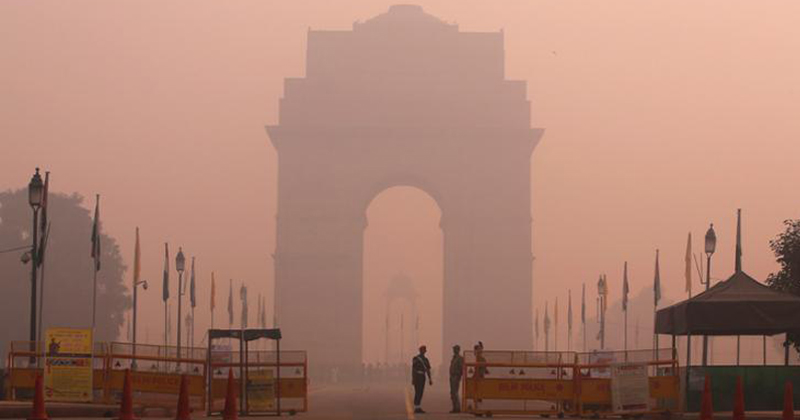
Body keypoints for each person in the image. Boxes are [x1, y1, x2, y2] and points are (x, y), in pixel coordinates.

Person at [412, 345, 433, 414]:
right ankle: (416, 407)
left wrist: (430, 379)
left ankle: (418, 406)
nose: (423, 351)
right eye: (422, 350)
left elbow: (428, 370)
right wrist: (413, 378)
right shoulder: (416, 358)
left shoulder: (426, 360)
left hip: (422, 377)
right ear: (420, 351)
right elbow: (413, 369)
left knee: (421, 392)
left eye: (424, 350)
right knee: (417, 391)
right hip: (417, 376)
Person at [449, 345, 464, 413]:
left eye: (455, 349)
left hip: (456, 376)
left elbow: (462, 368)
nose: (454, 350)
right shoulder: (454, 358)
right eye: (454, 349)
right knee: (452, 392)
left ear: (458, 350)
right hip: (452, 376)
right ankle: (454, 407)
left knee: (455, 392)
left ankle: (457, 408)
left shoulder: (460, 358)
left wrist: (460, 376)